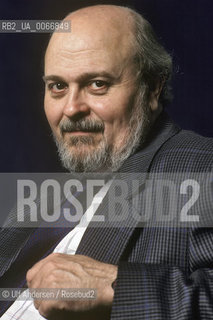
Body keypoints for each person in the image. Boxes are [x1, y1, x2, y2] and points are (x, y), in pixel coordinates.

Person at [0, 4, 213, 320]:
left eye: (97, 83)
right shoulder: (38, 203)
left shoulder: (201, 165)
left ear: (152, 87)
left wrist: (111, 287)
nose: (71, 108)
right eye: (57, 86)